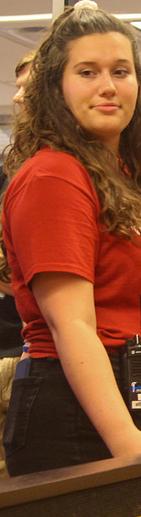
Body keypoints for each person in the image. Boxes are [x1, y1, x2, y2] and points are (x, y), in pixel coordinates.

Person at [0, 3, 141, 476]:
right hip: (76, 414)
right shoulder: (55, 174)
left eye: (121, 71)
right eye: (87, 72)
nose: (108, 86)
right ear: (56, 87)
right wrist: (123, 436)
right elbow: (72, 325)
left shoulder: (128, 180)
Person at [0, 50, 35, 479]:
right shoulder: (11, 168)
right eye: (18, 86)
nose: (21, 97)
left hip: (35, 345)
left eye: (32, 86)